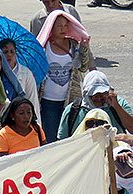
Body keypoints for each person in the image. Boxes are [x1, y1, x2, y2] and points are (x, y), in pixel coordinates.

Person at [36, 9, 93, 143]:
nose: (63, 29)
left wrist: (84, 47)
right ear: (51, 27)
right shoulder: (43, 46)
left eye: (65, 25)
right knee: (50, 139)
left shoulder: (74, 45)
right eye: (59, 26)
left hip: (71, 101)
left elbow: (83, 67)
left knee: (71, 139)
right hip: (48, 101)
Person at [57, 70, 133, 141]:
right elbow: (62, 141)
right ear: (86, 94)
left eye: (102, 94)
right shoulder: (73, 110)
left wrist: (117, 106)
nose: (99, 99)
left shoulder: (118, 103)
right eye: (95, 96)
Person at [0, 38, 41, 121]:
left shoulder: (26, 73)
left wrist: (37, 126)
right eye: (5, 52)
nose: (9, 55)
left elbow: (32, 100)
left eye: (12, 51)